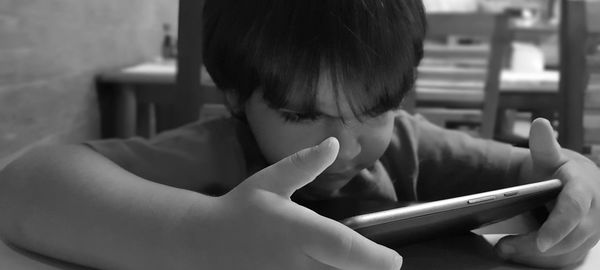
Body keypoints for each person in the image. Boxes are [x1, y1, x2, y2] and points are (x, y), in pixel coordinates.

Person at [1, 0, 599, 269]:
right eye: (301, 115)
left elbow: (536, 176)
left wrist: (579, 192)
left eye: (377, 108)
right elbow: (24, 186)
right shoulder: (216, 151)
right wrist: (196, 236)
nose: (349, 143)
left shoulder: (414, 146)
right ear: (237, 96)